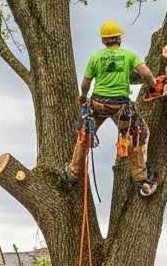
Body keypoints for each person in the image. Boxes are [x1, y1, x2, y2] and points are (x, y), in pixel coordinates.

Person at [66, 20, 160, 196]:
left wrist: (83, 97)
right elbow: (146, 74)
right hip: (120, 107)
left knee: (83, 136)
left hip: (98, 104)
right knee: (137, 135)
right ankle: (141, 181)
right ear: (119, 38)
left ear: (103, 41)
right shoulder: (129, 56)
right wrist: (153, 85)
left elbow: (85, 84)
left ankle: (72, 174)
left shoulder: (95, 58)